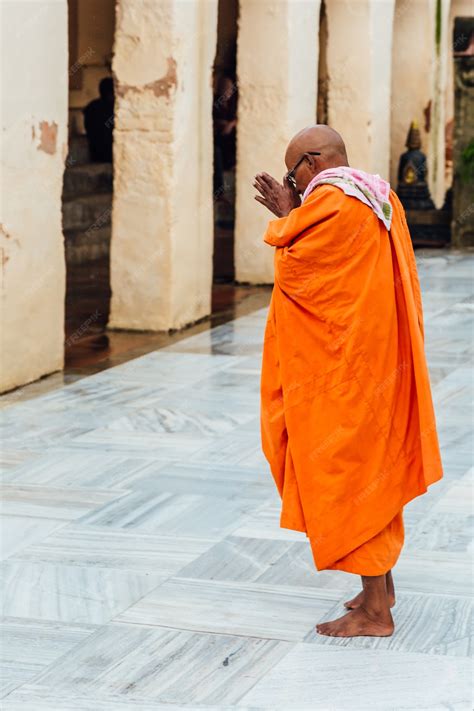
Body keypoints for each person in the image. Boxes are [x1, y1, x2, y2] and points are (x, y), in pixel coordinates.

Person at [254, 125, 443, 638]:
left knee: (352, 475)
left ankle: (376, 613)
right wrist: (296, 211)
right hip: (377, 357)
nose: (292, 184)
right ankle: (379, 589)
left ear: (313, 162)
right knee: (372, 468)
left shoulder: (333, 205)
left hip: (347, 370)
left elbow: (300, 272)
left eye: (293, 173)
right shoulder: (379, 194)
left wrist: (285, 213)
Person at [83, 77, 114, 163]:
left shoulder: (92, 107)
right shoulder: (115, 107)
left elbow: (88, 128)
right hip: (110, 153)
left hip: (96, 152)